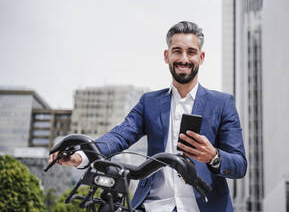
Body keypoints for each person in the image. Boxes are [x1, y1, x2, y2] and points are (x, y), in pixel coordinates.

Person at [49, 21, 247, 212]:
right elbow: (121, 135)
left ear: (201, 57)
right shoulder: (149, 102)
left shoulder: (222, 103)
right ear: (166, 55)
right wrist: (81, 155)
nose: (184, 59)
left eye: (191, 52)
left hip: (204, 207)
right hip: (153, 206)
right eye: (177, 51)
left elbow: (239, 164)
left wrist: (213, 156)